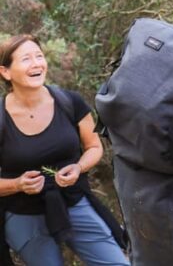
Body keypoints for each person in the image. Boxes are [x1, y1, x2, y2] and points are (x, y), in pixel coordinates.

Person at [0, 35, 128, 266]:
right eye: (26, 59)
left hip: (73, 203)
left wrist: (78, 167)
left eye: (39, 56)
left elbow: (94, 147)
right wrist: (18, 184)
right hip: (24, 215)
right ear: (6, 72)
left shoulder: (69, 101)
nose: (37, 63)